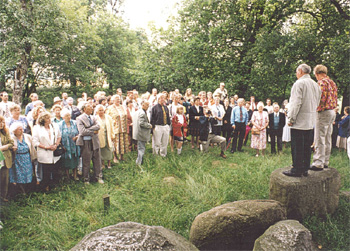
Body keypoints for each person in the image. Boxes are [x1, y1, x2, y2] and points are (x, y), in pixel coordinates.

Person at [283, 63, 321, 177]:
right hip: (310, 120)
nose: (296, 74)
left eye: (296, 72)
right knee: (306, 146)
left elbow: (295, 103)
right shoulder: (315, 85)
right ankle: (305, 168)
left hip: (299, 120)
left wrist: (291, 118)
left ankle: (297, 169)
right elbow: (318, 102)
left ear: (300, 71)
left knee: (297, 145)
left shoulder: (299, 83)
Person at [310, 64, 338, 171]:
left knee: (319, 137)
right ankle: (326, 161)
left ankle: (318, 162)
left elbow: (319, 98)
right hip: (332, 111)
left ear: (317, 74)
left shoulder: (321, 83)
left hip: (323, 111)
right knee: (327, 137)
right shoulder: (332, 83)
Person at [32, 112, 62, 191]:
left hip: (54, 152)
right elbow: (35, 141)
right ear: (43, 119)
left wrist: (56, 145)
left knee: (55, 169)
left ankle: (54, 185)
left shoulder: (54, 125)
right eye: (48, 118)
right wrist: (46, 147)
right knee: (46, 171)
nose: (50, 120)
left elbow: (59, 136)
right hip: (44, 152)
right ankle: (45, 186)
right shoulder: (36, 128)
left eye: (50, 118)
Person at [76, 103, 103, 184]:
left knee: (97, 160)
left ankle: (98, 177)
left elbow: (98, 126)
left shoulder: (93, 117)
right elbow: (82, 131)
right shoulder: (79, 118)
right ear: (84, 109)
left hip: (95, 141)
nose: (91, 109)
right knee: (86, 161)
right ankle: (86, 179)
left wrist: (88, 128)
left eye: (92, 107)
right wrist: (92, 131)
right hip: (86, 142)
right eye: (89, 107)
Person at [9, 122, 36, 194]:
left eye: (22, 129)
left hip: (27, 158)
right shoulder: (11, 138)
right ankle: (21, 190)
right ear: (14, 131)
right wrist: (12, 149)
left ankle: (27, 189)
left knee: (28, 173)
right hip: (17, 159)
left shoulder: (27, 137)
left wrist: (34, 157)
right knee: (19, 175)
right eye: (19, 129)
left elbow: (32, 148)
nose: (22, 131)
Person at [106, 95, 129, 161]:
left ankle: (122, 156)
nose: (118, 100)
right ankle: (115, 157)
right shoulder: (109, 108)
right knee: (116, 143)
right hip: (115, 129)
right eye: (116, 99)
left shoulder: (122, 107)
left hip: (123, 128)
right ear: (113, 100)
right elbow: (108, 119)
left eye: (119, 99)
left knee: (122, 142)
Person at [59, 109, 80, 180]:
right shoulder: (60, 125)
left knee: (75, 159)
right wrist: (61, 145)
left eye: (69, 115)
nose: (69, 117)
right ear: (63, 117)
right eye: (67, 115)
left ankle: (75, 175)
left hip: (74, 145)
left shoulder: (74, 123)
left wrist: (77, 137)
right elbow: (58, 136)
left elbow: (80, 132)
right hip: (65, 146)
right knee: (66, 161)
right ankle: (67, 176)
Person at [133, 101, 152, 165]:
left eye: (148, 105)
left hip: (138, 133)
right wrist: (149, 125)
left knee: (140, 147)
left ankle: (139, 161)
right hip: (141, 133)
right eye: (146, 105)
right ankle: (139, 163)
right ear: (143, 105)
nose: (147, 107)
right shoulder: (142, 113)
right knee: (141, 148)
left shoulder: (138, 111)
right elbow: (141, 123)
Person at [95, 104, 115, 169]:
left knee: (109, 149)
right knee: (101, 150)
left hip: (108, 135)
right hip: (100, 136)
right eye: (99, 110)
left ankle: (109, 164)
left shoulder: (108, 117)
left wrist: (112, 135)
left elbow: (112, 127)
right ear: (97, 111)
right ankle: (102, 164)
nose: (101, 112)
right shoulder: (95, 118)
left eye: (102, 110)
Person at [0, 115, 14, 202]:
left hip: (4, 159)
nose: (1, 124)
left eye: (2, 122)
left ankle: (3, 196)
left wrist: (3, 147)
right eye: (0, 122)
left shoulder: (5, 132)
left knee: (4, 179)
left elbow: (11, 143)